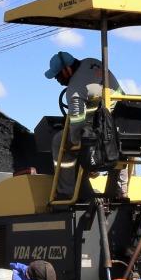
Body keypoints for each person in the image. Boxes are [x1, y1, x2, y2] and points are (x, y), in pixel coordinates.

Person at [44, 51, 126, 201]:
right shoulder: (91, 62)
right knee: (118, 144)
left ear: (67, 69)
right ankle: (120, 191)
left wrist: (84, 155)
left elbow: (76, 129)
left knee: (58, 141)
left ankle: (67, 191)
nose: (58, 80)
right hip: (123, 124)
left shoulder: (75, 89)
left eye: (58, 76)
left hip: (102, 134)